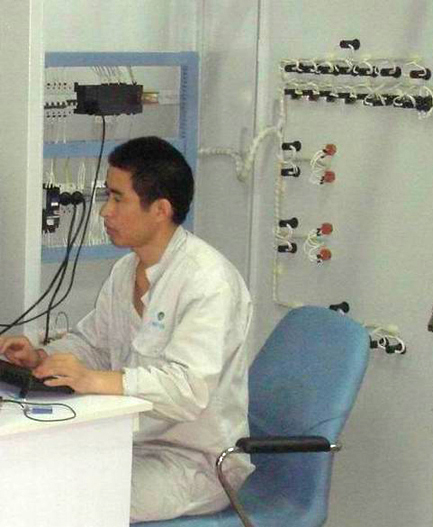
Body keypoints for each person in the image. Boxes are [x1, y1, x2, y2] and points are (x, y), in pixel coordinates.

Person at [0, 136, 254, 522]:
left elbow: (187, 391)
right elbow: (94, 344)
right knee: (21, 472)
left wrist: (92, 379)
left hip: (195, 465)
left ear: (160, 210)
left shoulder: (208, 282)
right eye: (108, 196)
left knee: (52, 495)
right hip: (126, 442)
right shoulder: (125, 272)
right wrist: (40, 357)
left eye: (118, 199)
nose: (105, 211)